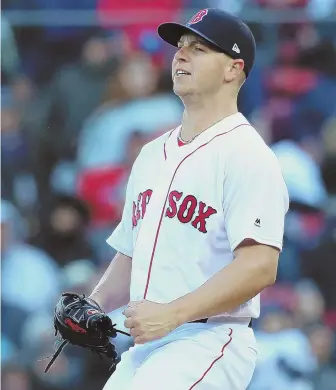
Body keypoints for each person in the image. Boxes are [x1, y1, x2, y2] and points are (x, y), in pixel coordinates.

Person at [89, 8, 289, 390]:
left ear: (233, 68)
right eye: (180, 46)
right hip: (147, 344)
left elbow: (260, 266)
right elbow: (132, 253)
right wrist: (93, 306)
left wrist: (172, 315)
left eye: (199, 48)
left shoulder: (248, 154)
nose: (181, 55)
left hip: (209, 339)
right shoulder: (150, 154)